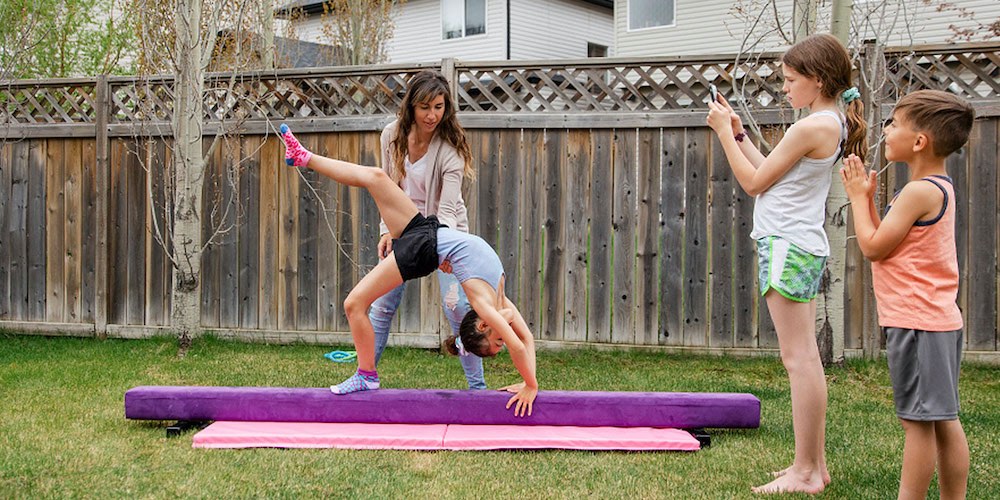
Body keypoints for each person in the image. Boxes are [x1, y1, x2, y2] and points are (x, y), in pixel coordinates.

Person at [279, 123, 539, 417]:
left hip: (425, 248)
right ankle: (302, 156)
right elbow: (524, 340)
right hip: (428, 231)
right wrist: (531, 383)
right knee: (377, 176)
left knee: (354, 304)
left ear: (482, 325)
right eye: (499, 341)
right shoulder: (499, 302)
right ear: (483, 326)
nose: (504, 339)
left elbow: (517, 342)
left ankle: (366, 375)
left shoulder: (484, 304)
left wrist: (530, 383)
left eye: (497, 341)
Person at [706, 33, 868, 494]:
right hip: (799, 243)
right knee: (805, 358)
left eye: (791, 79)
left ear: (817, 80)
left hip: (788, 246)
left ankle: (806, 472)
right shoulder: (827, 122)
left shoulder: (811, 126)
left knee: (799, 359)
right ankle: (813, 465)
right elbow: (772, 177)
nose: (785, 87)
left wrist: (721, 134)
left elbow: (754, 183)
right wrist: (738, 133)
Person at [840, 90, 973, 500]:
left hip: (916, 323)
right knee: (943, 420)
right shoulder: (934, 187)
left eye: (894, 123)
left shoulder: (918, 192)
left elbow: (872, 247)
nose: (886, 129)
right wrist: (871, 204)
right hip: (938, 320)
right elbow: (891, 243)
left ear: (919, 142)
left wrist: (858, 199)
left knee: (917, 425)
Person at [370, 70, 487, 390]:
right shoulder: (391, 136)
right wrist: (386, 231)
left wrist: (446, 248)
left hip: (447, 233)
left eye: (438, 106)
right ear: (411, 107)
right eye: (425, 107)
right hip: (405, 231)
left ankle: (477, 390)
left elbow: (448, 208)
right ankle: (364, 378)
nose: (432, 114)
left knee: (459, 309)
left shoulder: (450, 147)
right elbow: (387, 188)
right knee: (381, 305)